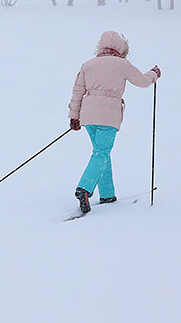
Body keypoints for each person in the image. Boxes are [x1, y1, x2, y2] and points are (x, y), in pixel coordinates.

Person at [68, 30, 160, 213]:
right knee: (102, 153)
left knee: (101, 153)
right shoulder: (122, 65)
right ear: (122, 49)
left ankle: (107, 194)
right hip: (108, 116)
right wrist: (153, 74)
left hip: (88, 116)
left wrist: (74, 116)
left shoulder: (88, 65)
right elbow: (142, 81)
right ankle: (84, 188)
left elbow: (77, 91)